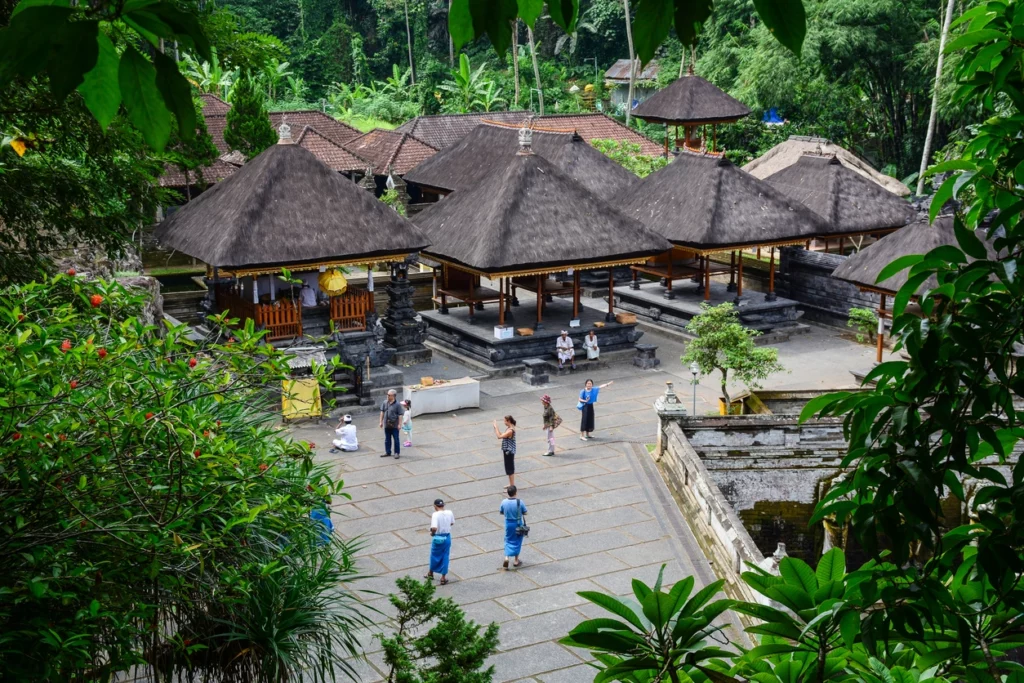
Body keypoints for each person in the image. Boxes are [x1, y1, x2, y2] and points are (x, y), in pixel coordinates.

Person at [425, 498, 454, 585]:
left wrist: (432, 533)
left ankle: (430, 573)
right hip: (447, 537)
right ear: (443, 505)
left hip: (438, 537)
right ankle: (443, 578)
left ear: (435, 506)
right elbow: (452, 523)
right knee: (445, 556)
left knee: (434, 555)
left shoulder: (435, 514)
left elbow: (434, 527)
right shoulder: (450, 512)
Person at [499, 486, 527, 570]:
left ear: (508, 493)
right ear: (516, 492)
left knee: (508, 539)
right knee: (517, 541)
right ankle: (516, 560)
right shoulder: (519, 502)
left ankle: (506, 557)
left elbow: (501, 512)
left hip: (508, 523)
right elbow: (525, 512)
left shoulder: (504, 502)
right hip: (517, 524)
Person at [379, 389, 405, 459]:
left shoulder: (398, 405)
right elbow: (382, 412)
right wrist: (381, 422)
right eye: (387, 395)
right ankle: (388, 452)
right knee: (387, 439)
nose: (387, 396)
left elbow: (400, 415)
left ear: (393, 396)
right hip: (387, 424)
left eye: (389, 395)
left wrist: (399, 424)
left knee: (396, 439)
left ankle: (397, 453)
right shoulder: (385, 402)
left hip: (394, 425)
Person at [493, 415, 517, 489]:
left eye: (505, 421)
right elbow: (501, 435)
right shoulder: (509, 428)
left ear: (508, 421)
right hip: (507, 451)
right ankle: (511, 484)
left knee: (510, 469)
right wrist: (497, 428)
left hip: (509, 452)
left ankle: (512, 486)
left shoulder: (510, 431)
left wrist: (496, 427)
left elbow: (499, 436)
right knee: (508, 468)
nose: (504, 422)